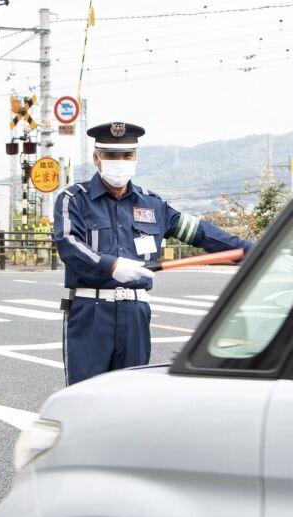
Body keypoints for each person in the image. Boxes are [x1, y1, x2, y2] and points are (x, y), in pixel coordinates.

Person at [54, 121, 254, 385]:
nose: (120, 161)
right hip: (91, 311)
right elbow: (68, 244)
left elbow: (199, 232)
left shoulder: (153, 204)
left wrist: (256, 251)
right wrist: (111, 266)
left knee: (132, 395)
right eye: (111, 155)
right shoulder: (74, 199)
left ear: (136, 157)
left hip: (135, 312)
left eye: (127, 155)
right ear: (96, 158)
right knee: (85, 395)